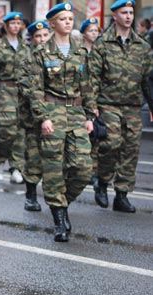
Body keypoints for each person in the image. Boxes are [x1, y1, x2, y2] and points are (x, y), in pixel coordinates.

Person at [28, 2, 96, 242]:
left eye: (70, 18)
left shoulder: (81, 52)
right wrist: (43, 116)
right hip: (53, 112)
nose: (68, 22)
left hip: (76, 113)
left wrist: (89, 115)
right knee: (54, 169)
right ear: (53, 23)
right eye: (63, 19)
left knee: (83, 168)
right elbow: (35, 89)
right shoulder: (41, 53)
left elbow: (87, 86)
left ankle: (63, 203)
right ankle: (58, 219)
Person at [89, 0, 153, 213]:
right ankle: (102, 180)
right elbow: (93, 78)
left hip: (133, 106)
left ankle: (122, 195)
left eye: (131, 12)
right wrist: (92, 107)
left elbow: (148, 79)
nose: (128, 16)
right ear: (114, 16)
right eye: (123, 12)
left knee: (130, 150)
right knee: (111, 143)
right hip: (108, 105)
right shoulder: (102, 44)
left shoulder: (142, 46)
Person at [0, 12, 27, 184]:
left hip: (23, 92)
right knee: (7, 130)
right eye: (12, 23)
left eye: (18, 23)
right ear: (6, 26)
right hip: (4, 89)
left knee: (20, 131)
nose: (15, 26)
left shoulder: (26, 46)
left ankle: (16, 167)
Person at [18, 20, 51, 212]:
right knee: (34, 156)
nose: (42, 39)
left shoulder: (59, 56)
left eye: (45, 35)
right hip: (33, 118)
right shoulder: (27, 59)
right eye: (38, 36)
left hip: (58, 116)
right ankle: (31, 194)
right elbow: (26, 88)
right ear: (32, 39)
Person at [80, 17, 102, 184]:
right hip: (81, 100)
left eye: (96, 31)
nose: (94, 33)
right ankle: (81, 169)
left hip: (99, 98)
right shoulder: (78, 52)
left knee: (96, 135)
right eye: (91, 31)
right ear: (84, 34)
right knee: (82, 136)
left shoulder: (101, 51)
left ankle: (93, 171)